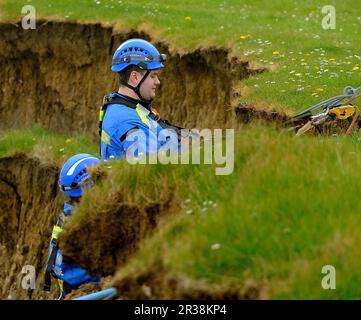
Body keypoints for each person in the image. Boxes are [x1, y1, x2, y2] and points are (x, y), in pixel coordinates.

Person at [99, 38, 188, 160]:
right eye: (153, 76)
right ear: (135, 77)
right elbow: (152, 170)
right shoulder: (127, 122)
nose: (158, 82)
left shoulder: (131, 108)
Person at [44, 153, 101, 299]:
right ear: (90, 186)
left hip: (69, 290)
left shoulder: (67, 215)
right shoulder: (84, 221)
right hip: (86, 290)